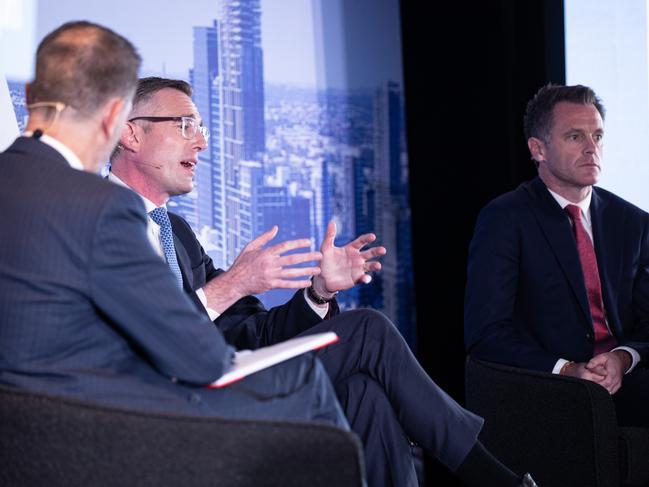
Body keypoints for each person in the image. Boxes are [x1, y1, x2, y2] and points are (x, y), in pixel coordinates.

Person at [109, 76, 538, 487]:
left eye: (200, 127)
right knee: (368, 329)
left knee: (364, 393)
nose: (201, 141)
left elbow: (252, 335)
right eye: (185, 126)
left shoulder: (177, 233)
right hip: (166, 408)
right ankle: (493, 477)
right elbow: (136, 345)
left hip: (223, 387)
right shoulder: (97, 225)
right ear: (131, 134)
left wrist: (319, 292)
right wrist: (232, 284)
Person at [0, 20, 348, 441]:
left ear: (32, 95)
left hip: (23, 436)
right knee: (306, 382)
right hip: (99, 433)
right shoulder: (100, 206)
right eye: (186, 126)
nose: (200, 142)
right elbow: (200, 360)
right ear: (118, 119)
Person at [465, 83, 649, 429]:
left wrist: (623, 358)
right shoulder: (506, 218)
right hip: (549, 385)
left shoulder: (632, 222)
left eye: (597, 136)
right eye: (575, 137)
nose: (592, 148)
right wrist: (567, 369)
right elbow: (486, 333)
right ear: (538, 149)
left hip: (626, 380)